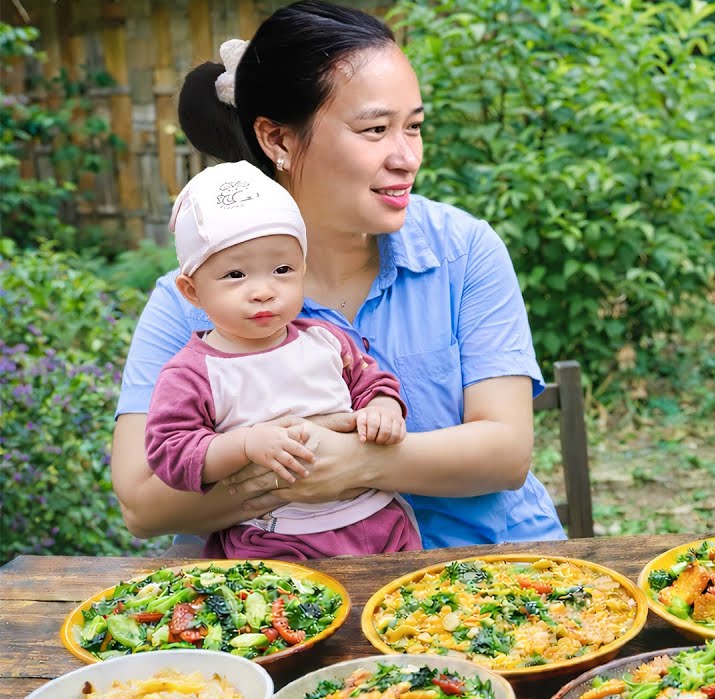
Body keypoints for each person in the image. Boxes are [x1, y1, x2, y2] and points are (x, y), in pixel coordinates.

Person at [111, 0, 566, 549]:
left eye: (413, 127)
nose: (406, 158)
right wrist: (284, 458)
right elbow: (142, 503)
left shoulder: (463, 251)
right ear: (278, 139)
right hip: (302, 591)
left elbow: (506, 453)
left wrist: (356, 463)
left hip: (489, 574)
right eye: (375, 129)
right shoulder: (190, 300)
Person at [145, 160, 421, 559]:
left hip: (377, 521)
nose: (263, 291)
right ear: (191, 290)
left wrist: (382, 408)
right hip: (274, 538)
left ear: (303, 273)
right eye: (235, 275)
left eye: (282, 270)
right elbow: (170, 450)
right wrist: (244, 444)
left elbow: (373, 382)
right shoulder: (193, 372)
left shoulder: (326, 340)